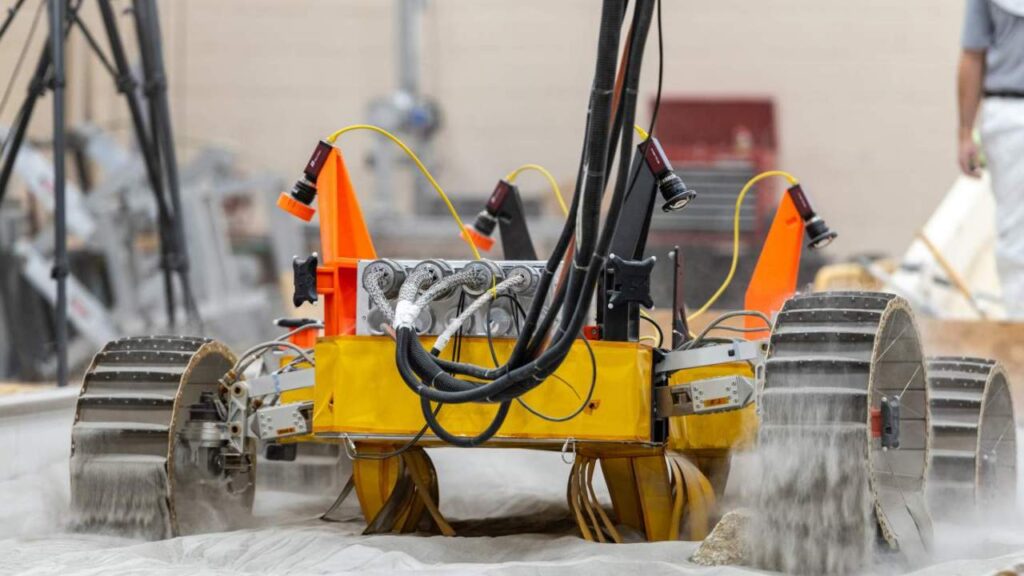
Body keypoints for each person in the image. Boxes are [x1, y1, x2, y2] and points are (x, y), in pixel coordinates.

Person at [958, 0, 1024, 317]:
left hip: (1009, 117)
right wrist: (965, 131)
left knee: (1016, 236)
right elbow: (972, 56)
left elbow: (972, 56)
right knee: (1017, 236)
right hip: (1011, 118)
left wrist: (965, 131)